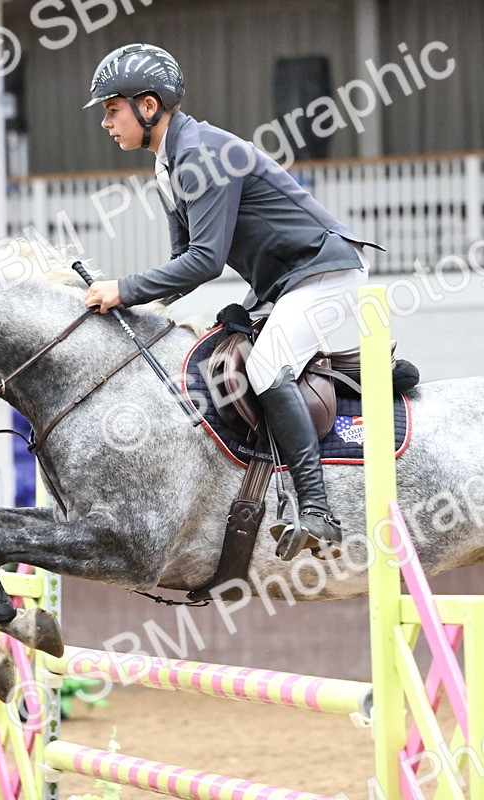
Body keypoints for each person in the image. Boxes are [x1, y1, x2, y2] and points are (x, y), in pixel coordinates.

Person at [81, 43, 380, 558]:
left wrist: (124, 289)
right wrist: (133, 305)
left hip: (326, 272)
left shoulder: (200, 154)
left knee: (265, 368)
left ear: (148, 106)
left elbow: (205, 261)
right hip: (282, 281)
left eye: (112, 109)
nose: (106, 123)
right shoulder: (169, 163)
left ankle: (317, 510)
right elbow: (183, 262)